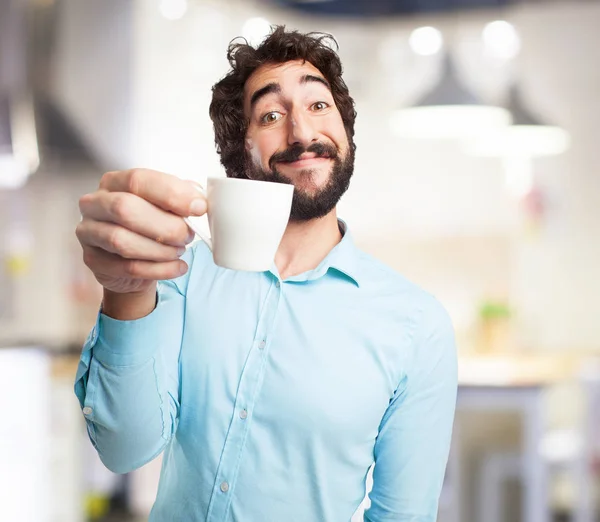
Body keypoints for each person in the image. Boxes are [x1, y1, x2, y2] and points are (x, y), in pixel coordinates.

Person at [74, 26, 457, 522]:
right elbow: (124, 449)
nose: (301, 132)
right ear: (241, 152)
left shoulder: (416, 324)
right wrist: (122, 291)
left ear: (346, 131)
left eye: (319, 105)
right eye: (271, 115)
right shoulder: (176, 273)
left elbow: (403, 515)